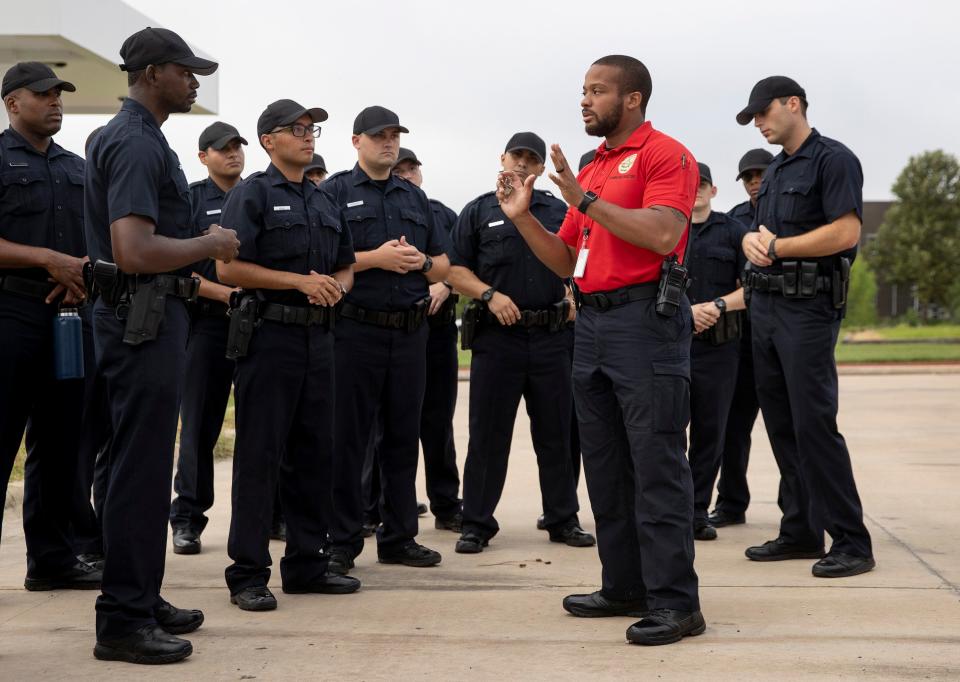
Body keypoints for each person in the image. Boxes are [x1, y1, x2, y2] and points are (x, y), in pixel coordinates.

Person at [496, 55, 705, 646]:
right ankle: (625, 587)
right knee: (606, 465)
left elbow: (665, 233)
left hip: (646, 323)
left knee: (657, 465)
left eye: (597, 91)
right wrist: (522, 219)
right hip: (590, 325)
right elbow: (566, 260)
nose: (585, 101)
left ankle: (676, 602)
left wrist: (583, 201)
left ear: (632, 98)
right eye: (582, 91)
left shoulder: (668, 154)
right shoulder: (590, 165)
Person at [84, 27, 240, 664]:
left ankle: (140, 598)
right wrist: (210, 244)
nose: (194, 81)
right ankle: (122, 620)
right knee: (139, 473)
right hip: (142, 322)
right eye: (185, 70)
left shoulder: (134, 137)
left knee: (138, 467)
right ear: (152, 73)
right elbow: (134, 250)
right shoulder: (134, 143)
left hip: (145, 319)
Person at [218, 98, 360, 611]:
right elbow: (228, 270)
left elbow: (345, 266)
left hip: (320, 341)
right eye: (296, 129)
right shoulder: (252, 195)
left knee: (314, 455)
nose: (308, 136)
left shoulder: (324, 201)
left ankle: (306, 565)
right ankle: (248, 573)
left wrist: (336, 288)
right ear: (268, 140)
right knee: (260, 457)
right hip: (269, 340)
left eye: (312, 129)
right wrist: (298, 282)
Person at [736, 75, 875, 577]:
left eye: (764, 112)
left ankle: (852, 541)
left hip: (808, 309)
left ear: (793, 103)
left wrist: (776, 247)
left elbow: (846, 231)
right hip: (767, 308)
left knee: (814, 424)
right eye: (753, 117)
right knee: (782, 424)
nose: (758, 122)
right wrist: (753, 242)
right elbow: (765, 233)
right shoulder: (772, 171)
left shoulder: (832, 159)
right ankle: (799, 530)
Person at [448, 132, 594, 554]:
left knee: (559, 434)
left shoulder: (555, 209)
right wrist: (489, 296)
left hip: (553, 337)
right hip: (499, 339)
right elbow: (454, 269)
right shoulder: (479, 211)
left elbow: (579, 257)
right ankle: (476, 523)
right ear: (503, 158)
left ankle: (562, 519)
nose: (525, 164)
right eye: (518, 156)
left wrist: (572, 294)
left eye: (533, 158)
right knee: (488, 435)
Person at [323, 106, 450, 574]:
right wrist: (375, 259)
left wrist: (419, 263)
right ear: (357, 141)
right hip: (355, 330)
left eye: (394, 135)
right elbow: (322, 262)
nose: (388, 143)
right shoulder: (334, 192)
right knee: (349, 439)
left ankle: (399, 537)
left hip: (409, 333)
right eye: (379, 136)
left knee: (402, 437)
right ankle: (341, 541)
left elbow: (442, 266)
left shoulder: (415, 199)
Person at [0, 62, 103, 590]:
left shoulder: (78, 166)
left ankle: (52, 561)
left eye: (60, 94)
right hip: (11, 315)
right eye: (43, 94)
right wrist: (46, 259)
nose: (55, 102)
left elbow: (99, 236)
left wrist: (79, 270)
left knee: (62, 444)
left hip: (70, 315)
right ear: (13, 103)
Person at [360, 147, 462, 532]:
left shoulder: (438, 213)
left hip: (433, 332)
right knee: (377, 427)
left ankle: (447, 504)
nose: (405, 174)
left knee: (437, 422)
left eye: (411, 167)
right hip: (387, 329)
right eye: (398, 169)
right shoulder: (365, 201)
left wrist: (445, 284)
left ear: (420, 171)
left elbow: (460, 262)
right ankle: (371, 508)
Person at [169, 121, 247, 555]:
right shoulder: (191, 200)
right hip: (208, 325)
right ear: (204, 156)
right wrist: (227, 293)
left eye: (238, 146)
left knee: (263, 426)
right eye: (223, 148)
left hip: (258, 325)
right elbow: (181, 265)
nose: (233, 153)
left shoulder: (258, 193)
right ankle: (187, 519)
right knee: (199, 426)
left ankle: (269, 514)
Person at [709, 148, 773, 528]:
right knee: (733, 427)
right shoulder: (734, 223)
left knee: (791, 427)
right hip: (741, 341)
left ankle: (798, 511)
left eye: (759, 174)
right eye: (747, 177)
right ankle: (731, 503)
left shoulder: (789, 216)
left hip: (783, 334)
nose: (754, 182)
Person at [684, 163, 747, 541]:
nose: (696, 190)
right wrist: (686, 312)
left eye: (702, 185)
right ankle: (672, 511)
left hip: (719, 350)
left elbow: (752, 287)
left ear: (714, 190)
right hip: (672, 346)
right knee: (669, 434)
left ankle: (696, 513)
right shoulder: (666, 230)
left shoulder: (734, 232)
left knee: (711, 433)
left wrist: (718, 306)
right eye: (690, 184)